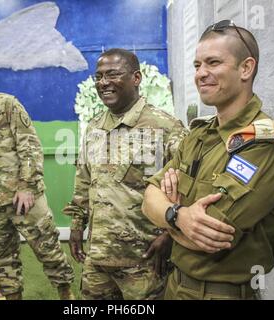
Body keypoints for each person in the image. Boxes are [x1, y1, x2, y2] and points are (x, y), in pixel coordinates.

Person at [142, 20, 274, 300]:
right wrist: (178, 214)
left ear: (246, 68)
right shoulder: (200, 134)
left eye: (213, 62)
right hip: (175, 286)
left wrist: (169, 208)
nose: (201, 74)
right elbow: (148, 198)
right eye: (197, 65)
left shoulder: (264, 144)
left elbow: (209, 235)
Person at [62, 48, 187, 299]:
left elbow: (188, 186)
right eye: (99, 76)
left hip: (144, 261)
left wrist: (170, 234)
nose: (103, 83)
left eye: (113, 74)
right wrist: (77, 225)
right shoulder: (95, 127)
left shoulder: (166, 127)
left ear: (136, 78)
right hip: (98, 259)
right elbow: (84, 180)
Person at [0, 56, 75, 300]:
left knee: (48, 250)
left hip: (24, 199)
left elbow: (29, 146)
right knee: (3, 261)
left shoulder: (6, 105)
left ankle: (67, 296)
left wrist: (27, 186)